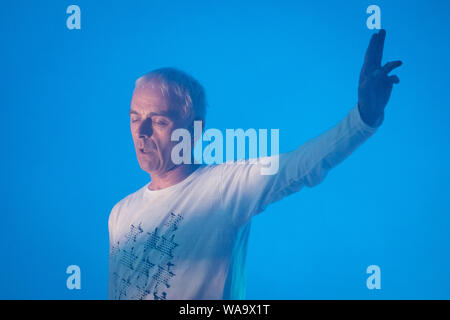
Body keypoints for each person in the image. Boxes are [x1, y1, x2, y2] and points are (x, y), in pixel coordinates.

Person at [108, 29, 402, 300]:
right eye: (135, 118)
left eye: (159, 121)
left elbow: (301, 165)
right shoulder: (120, 214)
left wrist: (363, 118)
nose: (141, 132)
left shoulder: (223, 188)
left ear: (194, 130)